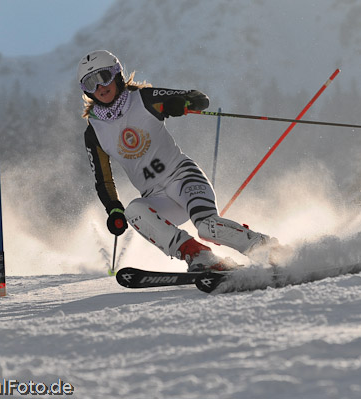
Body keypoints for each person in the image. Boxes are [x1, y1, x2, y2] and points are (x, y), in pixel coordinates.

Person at [79, 50, 272, 272]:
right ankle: (200, 257)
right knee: (134, 211)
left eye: (104, 77)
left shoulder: (144, 99)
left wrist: (179, 103)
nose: (100, 87)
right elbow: (103, 179)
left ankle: (267, 250)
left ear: (117, 75)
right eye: (90, 82)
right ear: (86, 90)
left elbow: (199, 99)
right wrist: (113, 209)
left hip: (183, 178)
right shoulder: (94, 131)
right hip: (156, 197)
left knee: (207, 227)